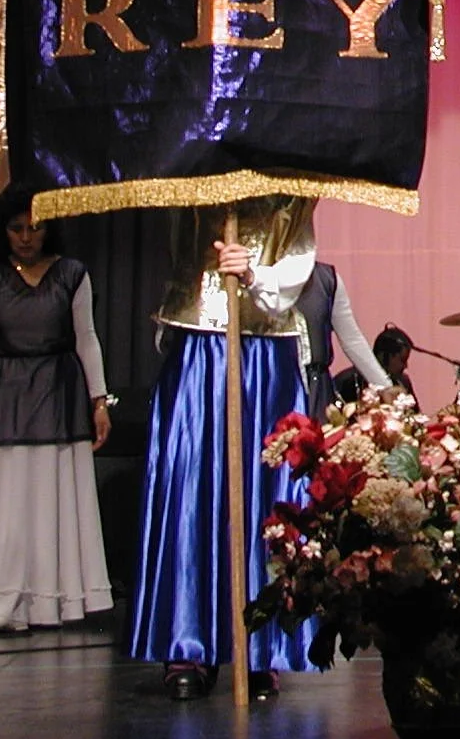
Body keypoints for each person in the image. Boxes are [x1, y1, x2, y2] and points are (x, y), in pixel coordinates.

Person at [128, 197, 322, 701]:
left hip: (264, 352)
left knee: (264, 496)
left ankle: (259, 646)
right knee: (193, 488)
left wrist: (255, 272)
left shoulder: (291, 187)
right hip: (199, 348)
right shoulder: (189, 175)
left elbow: (294, 272)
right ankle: (188, 643)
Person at [0, 195, 112, 633]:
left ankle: (48, 601)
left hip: (56, 395)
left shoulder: (72, 274)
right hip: (4, 399)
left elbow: (87, 338)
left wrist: (99, 401)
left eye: (34, 228)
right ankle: (2, 598)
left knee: (49, 500)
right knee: (5, 504)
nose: (26, 238)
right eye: (16, 229)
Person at [293, 263, 394, 420]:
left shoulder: (327, 279)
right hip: (273, 383)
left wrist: (384, 386)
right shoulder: (255, 277)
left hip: (316, 387)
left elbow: (351, 339)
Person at [332, 325, 419, 409]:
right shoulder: (347, 381)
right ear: (383, 356)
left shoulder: (403, 382)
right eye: (403, 360)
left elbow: (416, 419)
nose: (405, 366)